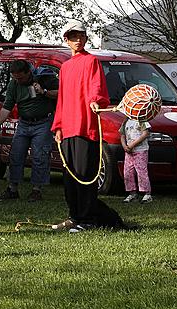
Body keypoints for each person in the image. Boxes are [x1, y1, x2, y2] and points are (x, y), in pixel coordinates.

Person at [51, 21, 124, 233]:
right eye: (73, 36)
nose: (78, 40)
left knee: (84, 176)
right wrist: (58, 126)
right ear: (66, 39)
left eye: (81, 35)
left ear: (85, 38)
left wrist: (95, 100)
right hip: (68, 128)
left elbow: (97, 86)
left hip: (85, 127)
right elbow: (62, 99)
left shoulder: (92, 61)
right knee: (69, 175)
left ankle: (88, 219)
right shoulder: (65, 67)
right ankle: (75, 216)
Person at [0, 59, 57, 201]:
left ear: (28, 72)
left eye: (21, 77)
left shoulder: (45, 77)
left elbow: (62, 93)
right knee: (16, 154)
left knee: (40, 155)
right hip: (24, 123)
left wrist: (44, 92)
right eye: (15, 78)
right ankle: (12, 188)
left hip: (43, 122)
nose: (18, 80)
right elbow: (7, 107)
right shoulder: (14, 84)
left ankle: (36, 190)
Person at [120, 117, 152, 203]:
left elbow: (145, 134)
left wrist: (132, 145)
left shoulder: (141, 120)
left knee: (141, 172)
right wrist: (125, 146)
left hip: (140, 151)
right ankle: (132, 193)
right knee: (128, 172)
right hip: (129, 152)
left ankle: (147, 194)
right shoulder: (126, 121)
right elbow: (122, 135)